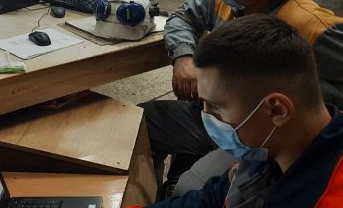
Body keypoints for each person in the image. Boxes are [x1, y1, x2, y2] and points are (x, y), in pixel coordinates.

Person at [140, 0, 343, 188]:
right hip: (214, 113)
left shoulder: (315, 29)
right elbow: (183, 16)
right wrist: (184, 56)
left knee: (188, 185)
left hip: (257, 134)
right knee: (142, 121)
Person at [144, 15, 343, 207]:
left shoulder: (325, 197)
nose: (207, 117)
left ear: (277, 110)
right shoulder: (269, 150)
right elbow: (210, 198)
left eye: (216, 107)